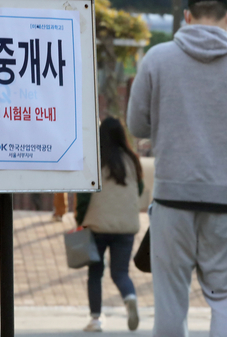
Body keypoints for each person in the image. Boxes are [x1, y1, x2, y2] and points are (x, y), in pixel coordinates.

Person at [127, 0, 227, 337]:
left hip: (172, 195)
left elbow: (136, 125)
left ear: (186, 17)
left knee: (171, 300)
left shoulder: (157, 58)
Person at [75, 117, 144, 333]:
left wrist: (80, 220)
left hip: (96, 225)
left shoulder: (95, 160)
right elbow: (139, 190)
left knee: (95, 273)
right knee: (120, 272)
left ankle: (96, 319)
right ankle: (130, 297)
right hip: (125, 226)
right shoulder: (132, 160)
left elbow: (84, 196)